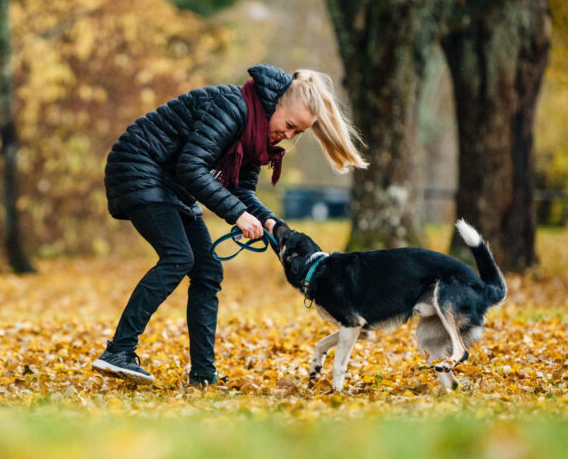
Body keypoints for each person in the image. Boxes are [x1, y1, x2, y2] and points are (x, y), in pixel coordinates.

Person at [91, 64, 368, 386]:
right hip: (139, 168)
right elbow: (191, 166)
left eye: (298, 133)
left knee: (208, 272)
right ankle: (119, 351)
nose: (288, 136)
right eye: (290, 125)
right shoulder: (230, 105)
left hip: (173, 185)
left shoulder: (256, 139)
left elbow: (241, 190)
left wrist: (272, 223)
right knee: (178, 256)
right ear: (275, 104)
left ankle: (203, 375)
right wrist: (237, 215)